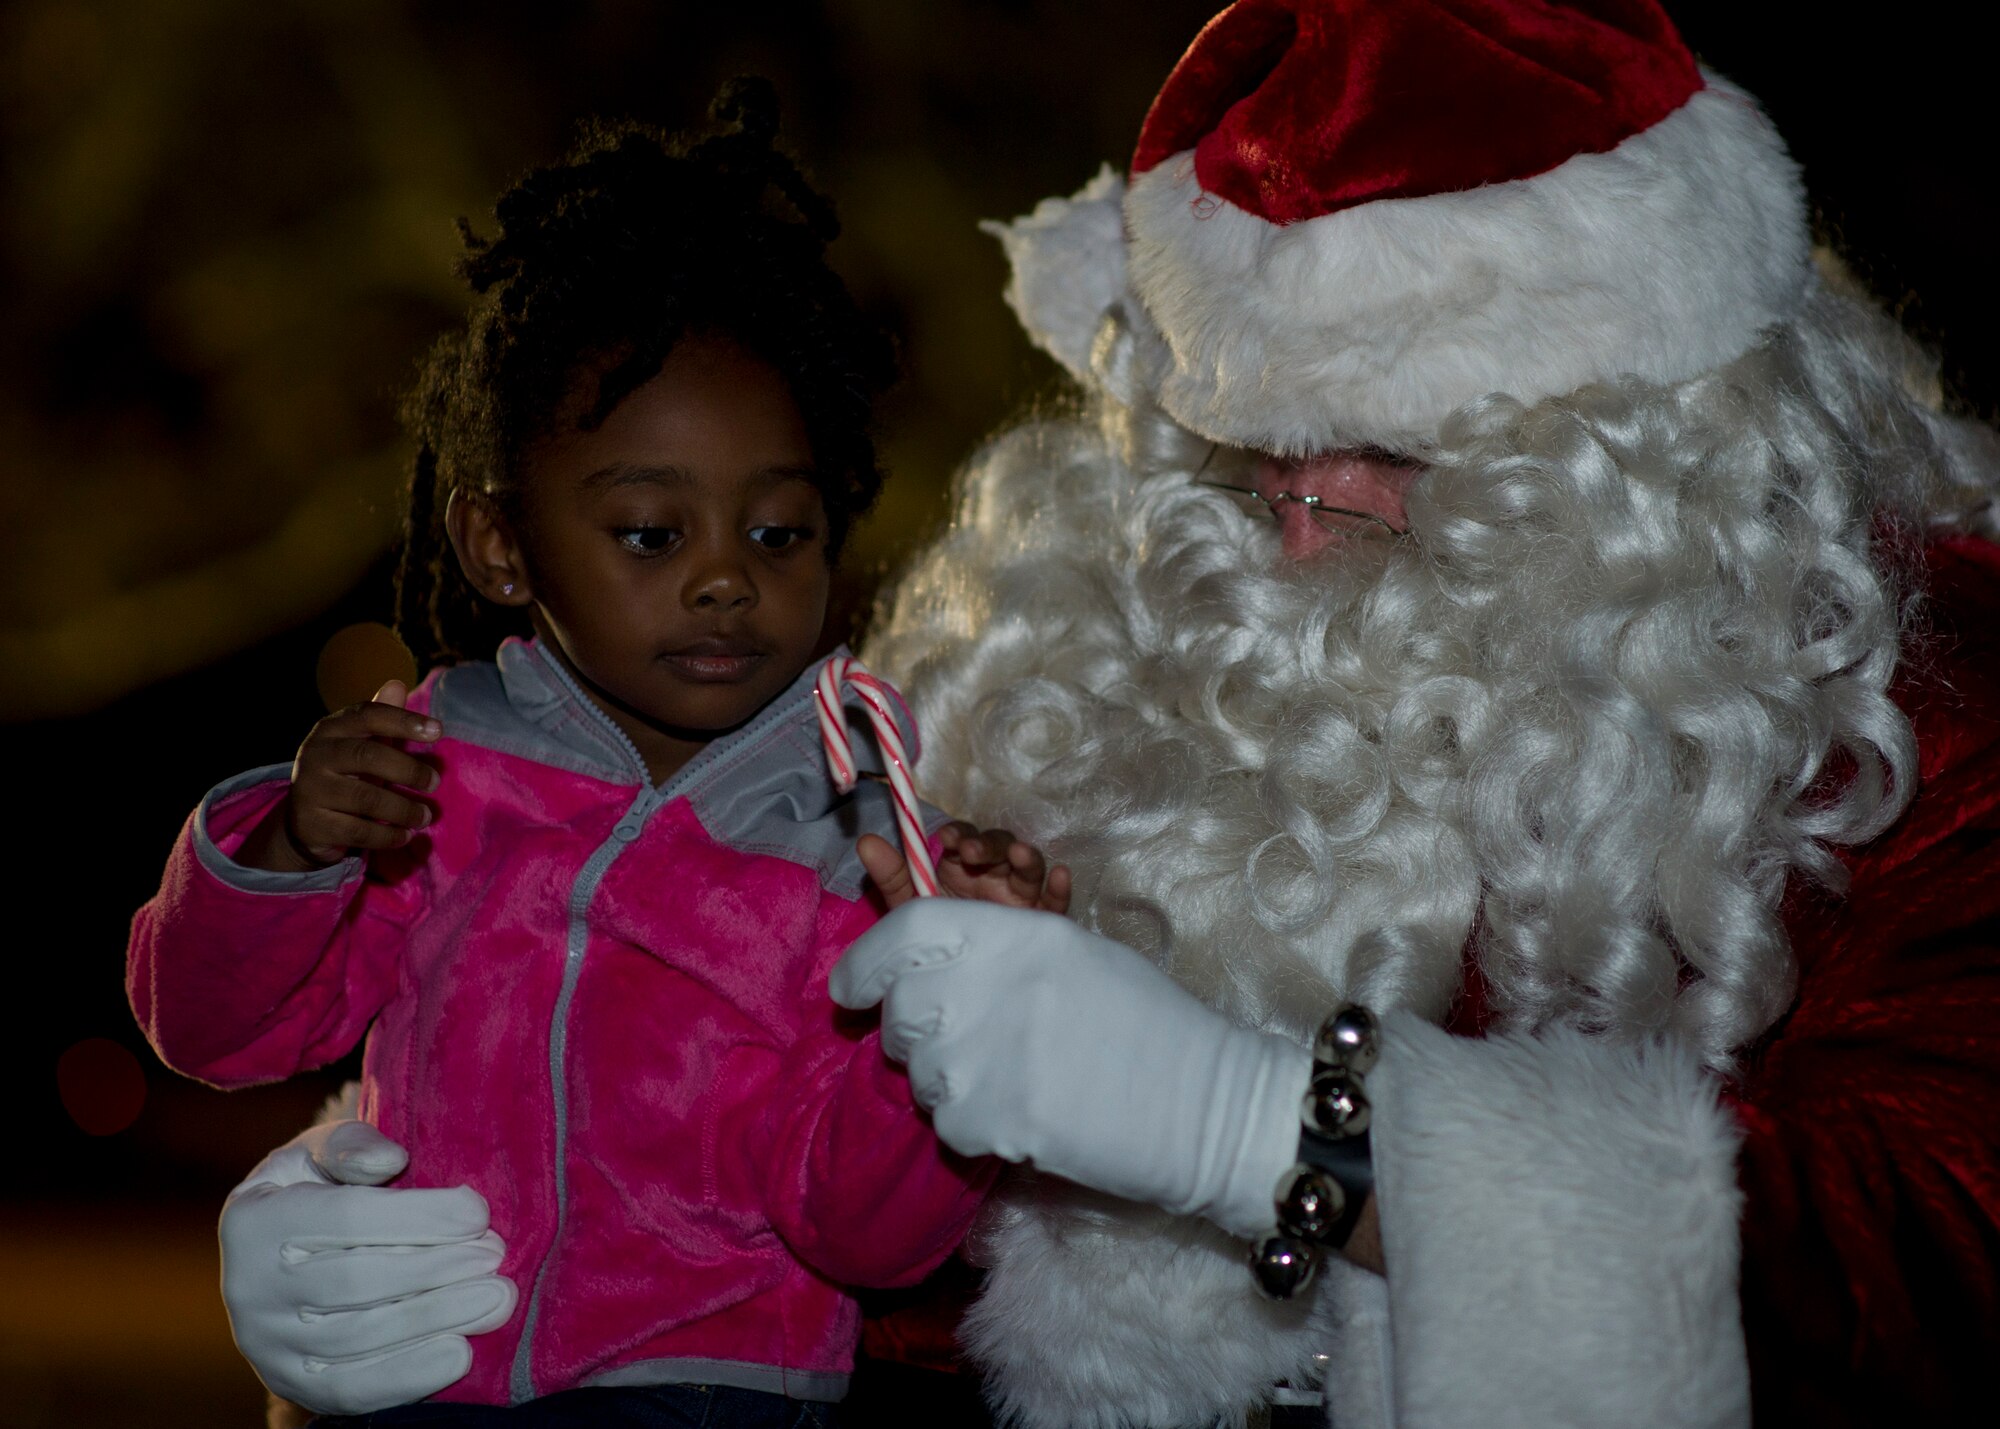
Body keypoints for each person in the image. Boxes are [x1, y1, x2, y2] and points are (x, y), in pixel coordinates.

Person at [211, 3, 2000, 1426]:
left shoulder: (1894, 705)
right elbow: (769, 1168)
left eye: (1401, 438)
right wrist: (415, 1200)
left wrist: (1267, 1135)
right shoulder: (1043, 692)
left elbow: (1942, 1264)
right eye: (1253, 436)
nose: (1296, 509)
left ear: (1641, 439)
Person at [128, 83, 1067, 1425]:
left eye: (778, 532)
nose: (725, 581)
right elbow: (214, 1030)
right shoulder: (432, 776)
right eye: (650, 531)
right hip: (419, 1375)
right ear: (500, 543)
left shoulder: (849, 834)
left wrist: (962, 1011)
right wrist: (289, 844)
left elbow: (863, 1233)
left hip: (712, 1392)